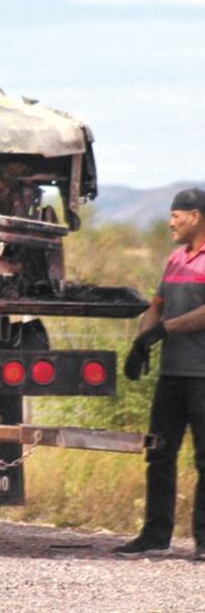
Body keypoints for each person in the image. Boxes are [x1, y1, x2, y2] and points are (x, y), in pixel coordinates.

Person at [116, 187, 205, 559]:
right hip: (172, 375)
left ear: (195, 216)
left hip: (202, 377)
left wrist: (162, 331)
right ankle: (154, 535)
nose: (170, 222)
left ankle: (203, 540)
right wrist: (141, 342)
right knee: (159, 453)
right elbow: (157, 305)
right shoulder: (175, 259)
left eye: (176, 215)